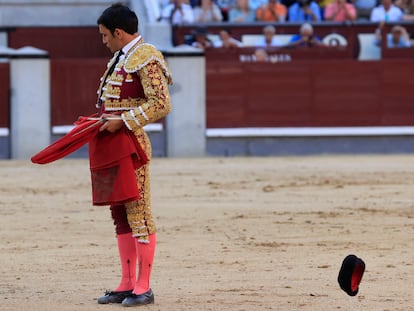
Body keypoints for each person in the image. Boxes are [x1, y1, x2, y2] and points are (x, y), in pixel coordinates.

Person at [94, 3, 172, 307]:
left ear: (118, 32)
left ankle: (144, 286)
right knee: (121, 214)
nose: (104, 42)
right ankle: (126, 283)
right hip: (113, 143)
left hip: (132, 144)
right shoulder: (119, 58)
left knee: (139, 213)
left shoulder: (146, 55)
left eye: (104, 36)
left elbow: (161, 103)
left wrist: (123, 121)